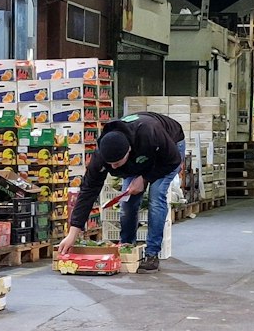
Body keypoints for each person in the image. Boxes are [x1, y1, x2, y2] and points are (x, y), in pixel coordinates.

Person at [59, 110, 185, 272]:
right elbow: (88, 190)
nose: (113, 168)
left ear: (129, 151)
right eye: (110, 164)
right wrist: (73, 233)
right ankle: (127, 247)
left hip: (169, 148)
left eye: (117, 163)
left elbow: (173, 161)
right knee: (128, 201)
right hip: (140, 156)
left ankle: (152, 254)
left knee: (156, 195)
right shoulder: (101, 155)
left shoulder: (149, 132)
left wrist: (144, 178)